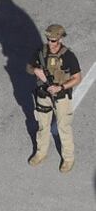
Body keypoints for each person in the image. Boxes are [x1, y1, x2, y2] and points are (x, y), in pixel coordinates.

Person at [27, 24, 82, 173]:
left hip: (60, 97)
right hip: (43, 95)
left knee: (64, 127)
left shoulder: (68, 56)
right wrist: (36, 70)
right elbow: (28, 67)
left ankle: (68, 158)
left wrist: (61, 87)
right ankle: (41, 153)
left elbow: (77, 78)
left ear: (60, 39)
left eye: (54, 41)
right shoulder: (41, 52)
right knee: (43, 126)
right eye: (49, 40)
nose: (51, 43)